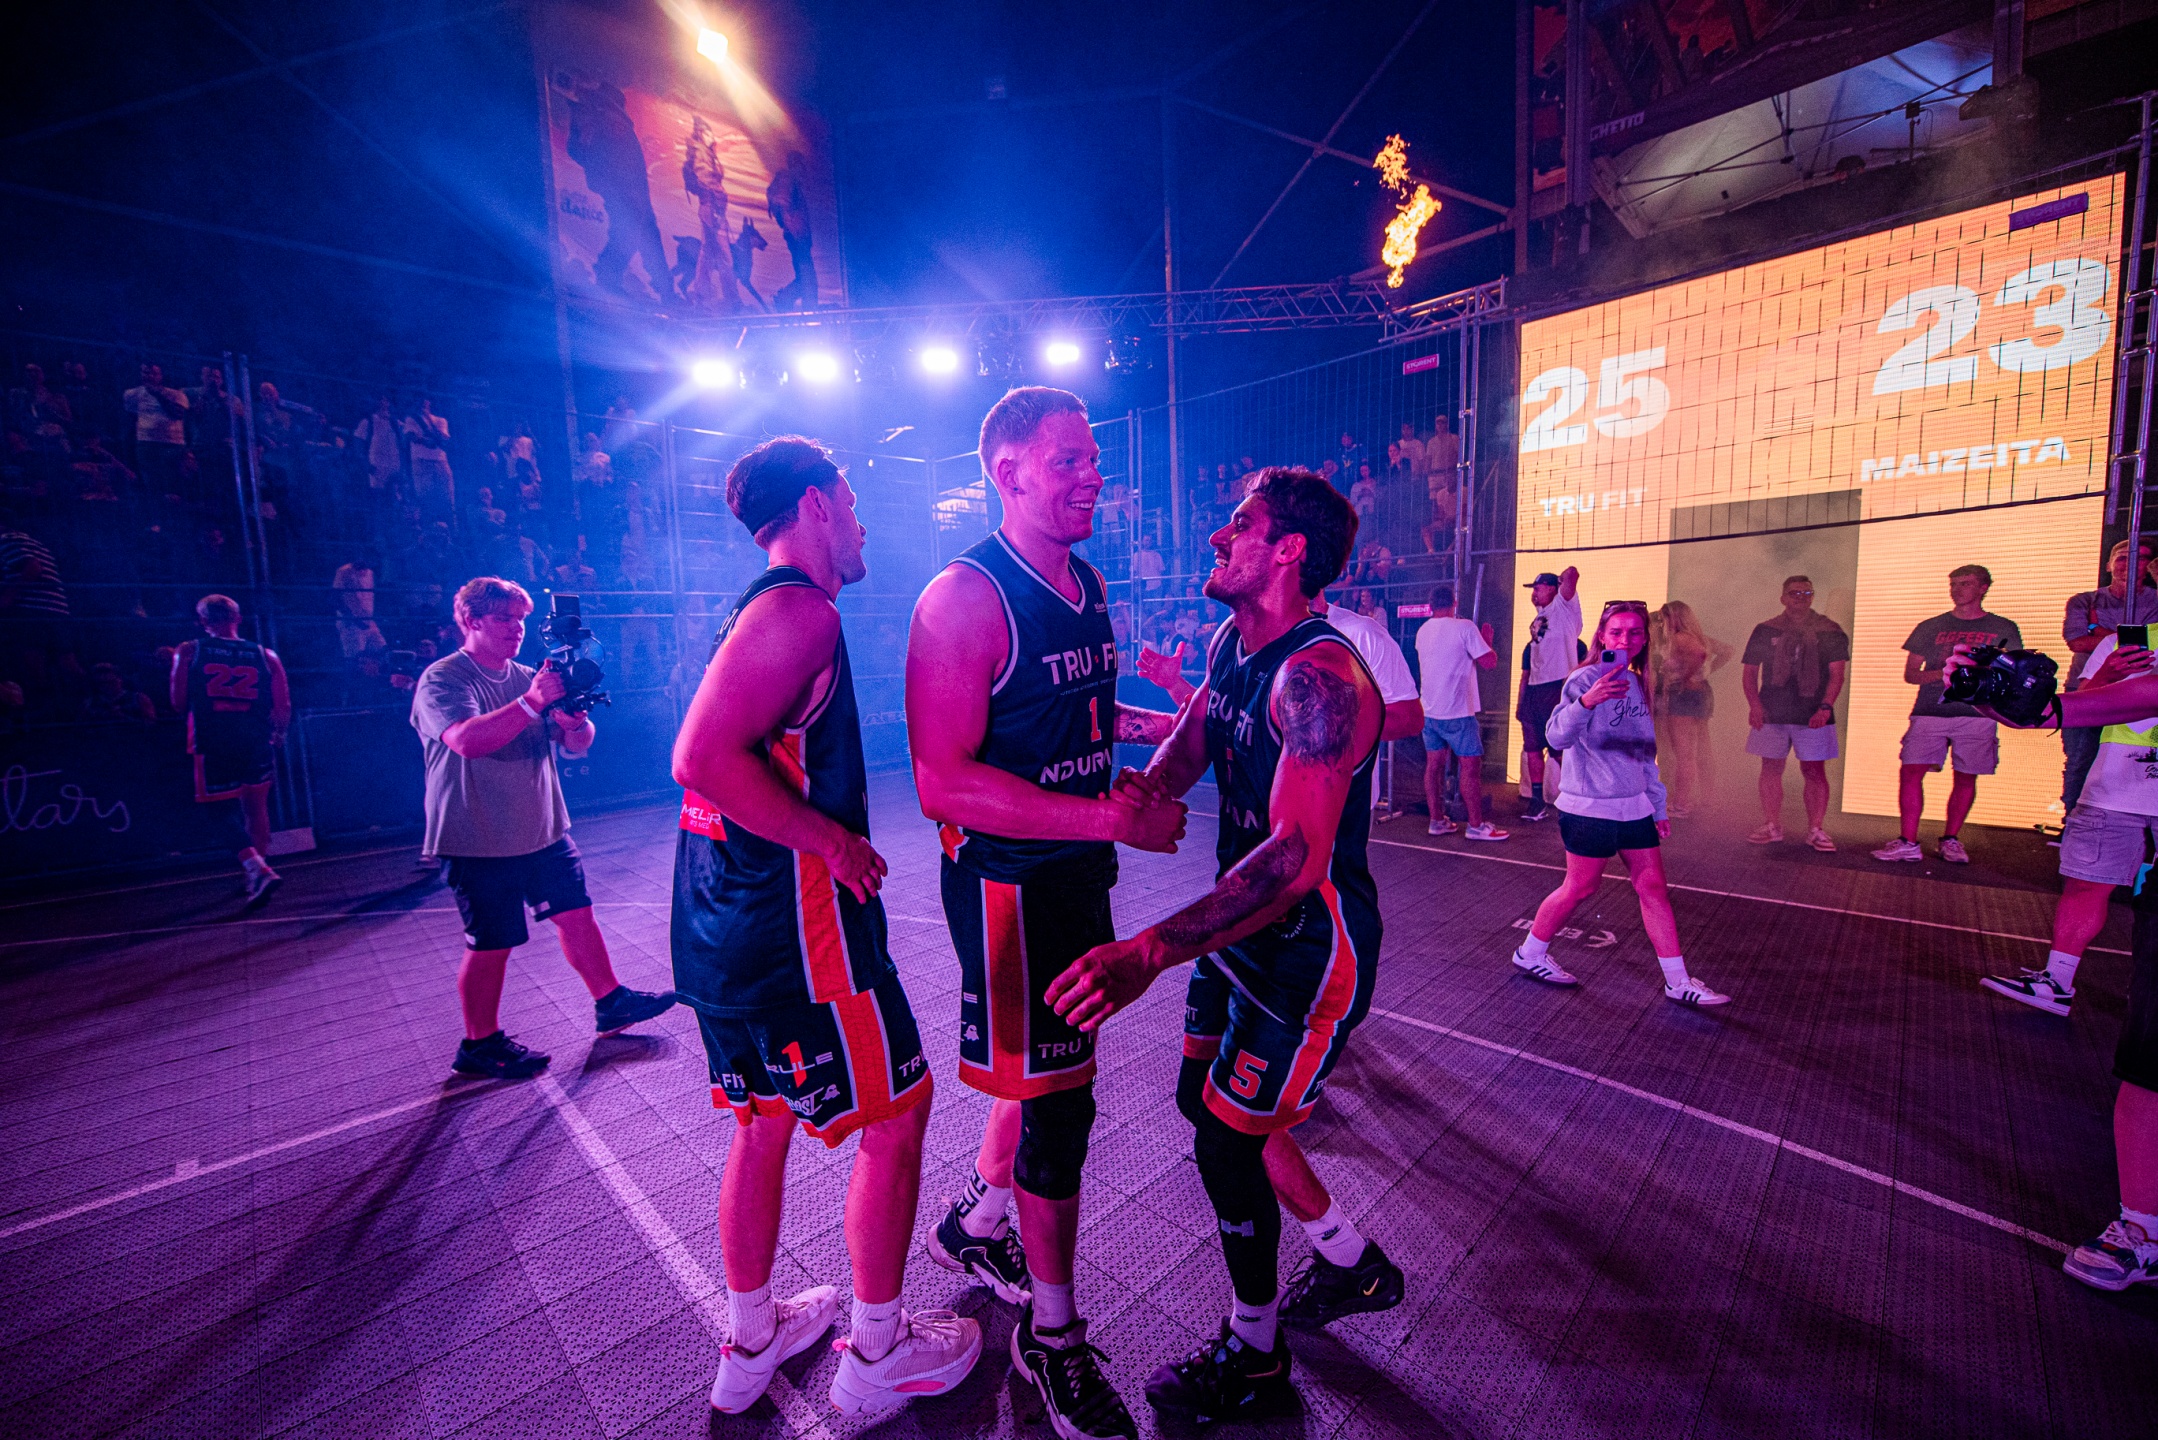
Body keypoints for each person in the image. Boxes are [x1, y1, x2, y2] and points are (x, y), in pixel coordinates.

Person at [1045, 467, 1403, 1424]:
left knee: (1225, 1137)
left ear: (1288, 550)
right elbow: (1195, 738)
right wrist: (1136, 793)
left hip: (1306, 950)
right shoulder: (1233, 643)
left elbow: (1292, 859)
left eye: (1238, 524)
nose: (1217, 537)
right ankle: (1349, 1261)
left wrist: (1149, 951)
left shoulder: (1319, 677)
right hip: (1243, 934)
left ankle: (1255, 1351)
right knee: (1208, 1112)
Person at [670, 437, 983, 1415]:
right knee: (899, 1114)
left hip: (721, 925)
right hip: (797, 934)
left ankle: (751, 1340)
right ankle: (880, 1351)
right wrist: (832, 842)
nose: (859, 522)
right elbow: (700, 757)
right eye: (848, 502)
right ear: (813, 505)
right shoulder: (800, 612)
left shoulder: (752, 609)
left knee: (762, 1122)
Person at [906, 386, 1183, 1440]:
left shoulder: (1086, 581)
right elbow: (942, 781)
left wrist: (1165, 720)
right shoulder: (962, 598)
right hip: (1008, 889)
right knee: (1061, 1106)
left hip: (1074, 871)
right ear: (1007, 470)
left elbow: (1076, 709)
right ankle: (1053, 1337)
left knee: (1048, 1073)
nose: (1092, 476)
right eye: (1068, 460)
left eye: (1093, 459)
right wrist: (1109, 817)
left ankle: (979, 1222)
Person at [1947, 639, 2158, 1291]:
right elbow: (2075, 708)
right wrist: (2005, 697)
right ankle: (2142, 1229)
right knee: (2148, 1063)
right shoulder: (2133, 644)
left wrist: (2041, 708)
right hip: (2134, 821)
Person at [410, 577, 676, 1081]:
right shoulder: (444, 678)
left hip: (542, 824)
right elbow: (466, 740)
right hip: (477, 833)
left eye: (520, 619)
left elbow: (577, 743)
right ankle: (479, 1043)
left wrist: (574, 719)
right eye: (503, 618)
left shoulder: (531, 676)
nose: (515, 629)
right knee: (492, 942)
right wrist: (532, 704)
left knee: (577, 915)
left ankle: (610, 1002)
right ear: (470, 620)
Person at [1510, 601, 1729, 1005]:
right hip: (1589, 807)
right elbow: (1555, 737)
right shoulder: (1582, 679)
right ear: (1602, 637)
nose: (1625, 639)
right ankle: (1530, 952)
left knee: (1653, 888)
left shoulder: (1640, 682)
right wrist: (1587, 702)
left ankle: (1677, 981)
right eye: (1616, 632)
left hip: (1634, 808)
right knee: (1580, 887)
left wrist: (1657, 806)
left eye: (1634, 632)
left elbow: (1644, 752)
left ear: (1645, 639)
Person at [1873, 566, 2023, 865]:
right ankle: (1908, 841)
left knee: (1966, 775)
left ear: (1983, 587)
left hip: (1977, 713)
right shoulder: (1931, 626)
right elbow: (1911, 675)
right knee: (1911, 771)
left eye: (1965, 583)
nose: (1957, 589)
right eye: (1953, 584)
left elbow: (2014, 671)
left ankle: (1951, 839)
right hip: (1930, 710)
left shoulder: (2003, 627)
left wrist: (1981, 676)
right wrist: (1949, 672)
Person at [170, 595, 290, 906]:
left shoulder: (189, 650)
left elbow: (178, 702)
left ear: (202, 621)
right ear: (238, 618)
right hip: (255, 740)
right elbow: (282, 706)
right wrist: (278, 734)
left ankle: (257, 870)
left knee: (219, 812)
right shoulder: (266, 655)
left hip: (213, 740)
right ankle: (257, 873)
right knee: (256, 809)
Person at [1740, 578, 1847, 849]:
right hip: (1771, 712)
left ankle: (1816, 829)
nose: (1800, 597)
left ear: (1813, 597)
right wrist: (1755, 705)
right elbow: (1750, 672)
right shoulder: (1765, 629)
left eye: (1807, 592)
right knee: (1770, 767)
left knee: (1814, 771)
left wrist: (1825, 707)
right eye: (1794, 593)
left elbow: (1837, 675)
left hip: (1814, 714)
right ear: (1783, 598)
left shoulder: (1830, 630)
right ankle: (1772, 825)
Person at [2060, 539, 2157, 812]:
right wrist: (2115, 636)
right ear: (2109, 564)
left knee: (2133, 758)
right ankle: (2072, 820)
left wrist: (2096, 628)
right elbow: (2078, 642)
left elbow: (2145, 642)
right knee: (2079, 759)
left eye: (2140, 558)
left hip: (2139, 691)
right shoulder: (2084, 600)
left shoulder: (2156, 599)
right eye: (2123, 557)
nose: (2130, 564)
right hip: (2086, 685)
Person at [1416, 582, 1506, 840]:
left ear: (1430, 606)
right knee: (1470, 768)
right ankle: (1476, 826)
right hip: (1458, 712)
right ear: (1454, 603)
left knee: (1433, 766)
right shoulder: (1465, 627)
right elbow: (1489, 662)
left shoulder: (1422, 631)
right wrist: (1487, 641)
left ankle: (1436, 821)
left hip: (1429, 712)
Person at [1651, 600, 1732, 819]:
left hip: (1683, 695)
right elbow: (1725, 651)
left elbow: (1699, 656)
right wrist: (1703, 674)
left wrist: (1687, 677)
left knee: (1684, 753)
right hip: (1699, 693)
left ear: (1674, 617)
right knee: (1701, 749)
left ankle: (1681, 803)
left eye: (1664, 618)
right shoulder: (1699, 637)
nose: (1662, 623)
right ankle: (1706, 798)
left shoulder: (1680, 637)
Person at [1516, 566, 1581, 821]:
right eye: (1533, 589)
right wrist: (1522, 701)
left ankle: (1578, 798)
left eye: (1539, 588)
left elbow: (1572, 573)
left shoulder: (1564, 608)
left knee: (1560, 748)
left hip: (1557, 687)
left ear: (1554, 589)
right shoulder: (1540, 616)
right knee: (1532, 746)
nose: (1534, 593)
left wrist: (1563, 581)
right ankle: (1536, 801)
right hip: (1535, 689)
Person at [123, 362, 189, 501]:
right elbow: (132, 416)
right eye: (146, 372)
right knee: (152, 483)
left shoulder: (176, 394)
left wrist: (159, 395)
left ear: (160, 376)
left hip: (172, 444)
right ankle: (156, 511)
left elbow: (177, 414)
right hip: (147, 443)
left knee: (174, 483)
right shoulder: (132, 394)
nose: (149, 376)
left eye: (153, 373)